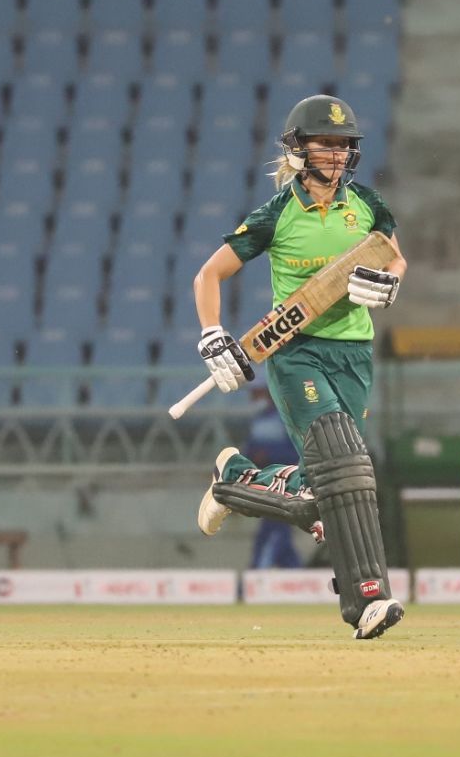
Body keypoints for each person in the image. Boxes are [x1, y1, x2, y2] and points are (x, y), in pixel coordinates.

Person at [190, 94, 407, 640]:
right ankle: (367, 601)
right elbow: (208, 275)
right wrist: (213, 334)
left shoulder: (367, 204)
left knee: (324, 492)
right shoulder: (276, 214)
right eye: (324, 143)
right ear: (298, 149)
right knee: (347, 469)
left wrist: (389, 283)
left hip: (354, 354)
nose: (335, 154)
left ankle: (234, 481)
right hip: (296, 351)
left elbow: (393, 256)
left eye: (343, 144)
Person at [243, 387, 303, 569]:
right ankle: (297, 575)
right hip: (265, 485)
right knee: (281, 539)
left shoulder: (287, 418)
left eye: (257, 392)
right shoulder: (259, 419)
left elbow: (296, 452)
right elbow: (250, 450)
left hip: (284, 483)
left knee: (273, 533)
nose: (253, 398)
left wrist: (269, 455)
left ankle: (256, 574)